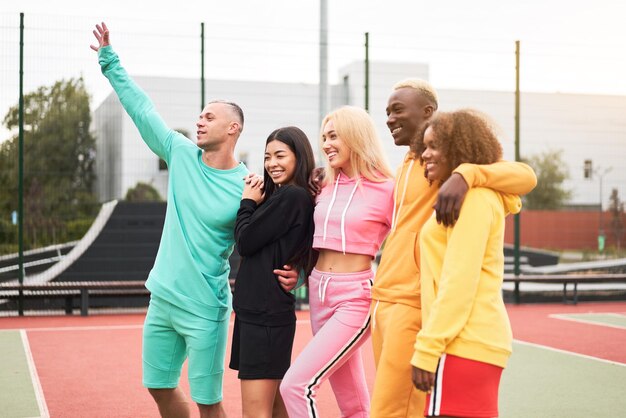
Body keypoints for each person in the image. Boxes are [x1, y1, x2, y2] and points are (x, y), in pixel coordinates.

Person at [90, 23, 297, 418]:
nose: (199, 121)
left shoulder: (251, 184)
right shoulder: (179, 152)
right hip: (163, 297)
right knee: (159, 387)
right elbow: (141, 108)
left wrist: (297, 271)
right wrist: (109, 60)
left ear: (233, 128)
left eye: (209, 116)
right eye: (199, 116)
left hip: (206, 308)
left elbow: (283, 235)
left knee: (209, 402)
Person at [367, 79, 538, 418]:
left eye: (398, 110)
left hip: (416, 304)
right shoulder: (404, 166)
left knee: (390, 410)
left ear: (429, 113)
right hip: (385, 297)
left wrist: (465, 175)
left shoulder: (454, 176)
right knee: (400, 406)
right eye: (386, 111)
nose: (388, 119)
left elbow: (525, 177)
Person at [279, 106, 395, 418]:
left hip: (355, 297)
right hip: (318, 292)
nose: (326, 144)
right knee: (353, 404)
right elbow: (314, 241)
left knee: (295, 386)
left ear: (355, 137)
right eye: (324, 137)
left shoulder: (389, 189)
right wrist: (301, 276)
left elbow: (412, 239)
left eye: (334, 136)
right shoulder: (324, 186)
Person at [412, 109, 519, 417]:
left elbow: (459, 281)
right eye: (424, 146)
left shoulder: (472, 199)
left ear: (460, 147)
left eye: (435, 146)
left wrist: (427, 348)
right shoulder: (479, 196)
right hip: (473, 341)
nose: (426, 154)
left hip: (461, 343)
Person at [229, 126, 316, 418]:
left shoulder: (292, 196)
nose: (271, 164)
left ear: (299, 157)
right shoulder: (286, 196)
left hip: (265, 316)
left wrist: (247, 202)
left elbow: (245, 241)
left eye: (280, 155)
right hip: (260, 313)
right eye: (267, 157)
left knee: (256, 411)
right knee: (276, 407)